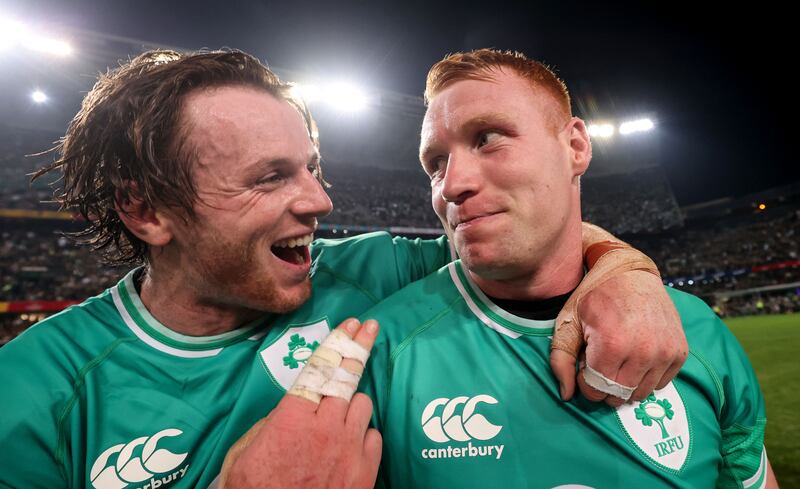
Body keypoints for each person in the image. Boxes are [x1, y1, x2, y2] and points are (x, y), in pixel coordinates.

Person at [0, 49, 685, 489]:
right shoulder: (31, 395)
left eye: (313, 168)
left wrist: (626, 269)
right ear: (146, 210)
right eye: (270, 178)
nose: (321, 200)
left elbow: (533, 237)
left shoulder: (374, 272)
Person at [358, 49, 778, 488]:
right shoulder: (380, 352)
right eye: (434, 164)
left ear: (575, 146)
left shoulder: (695, 329)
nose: (452, 184)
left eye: (487, 138)